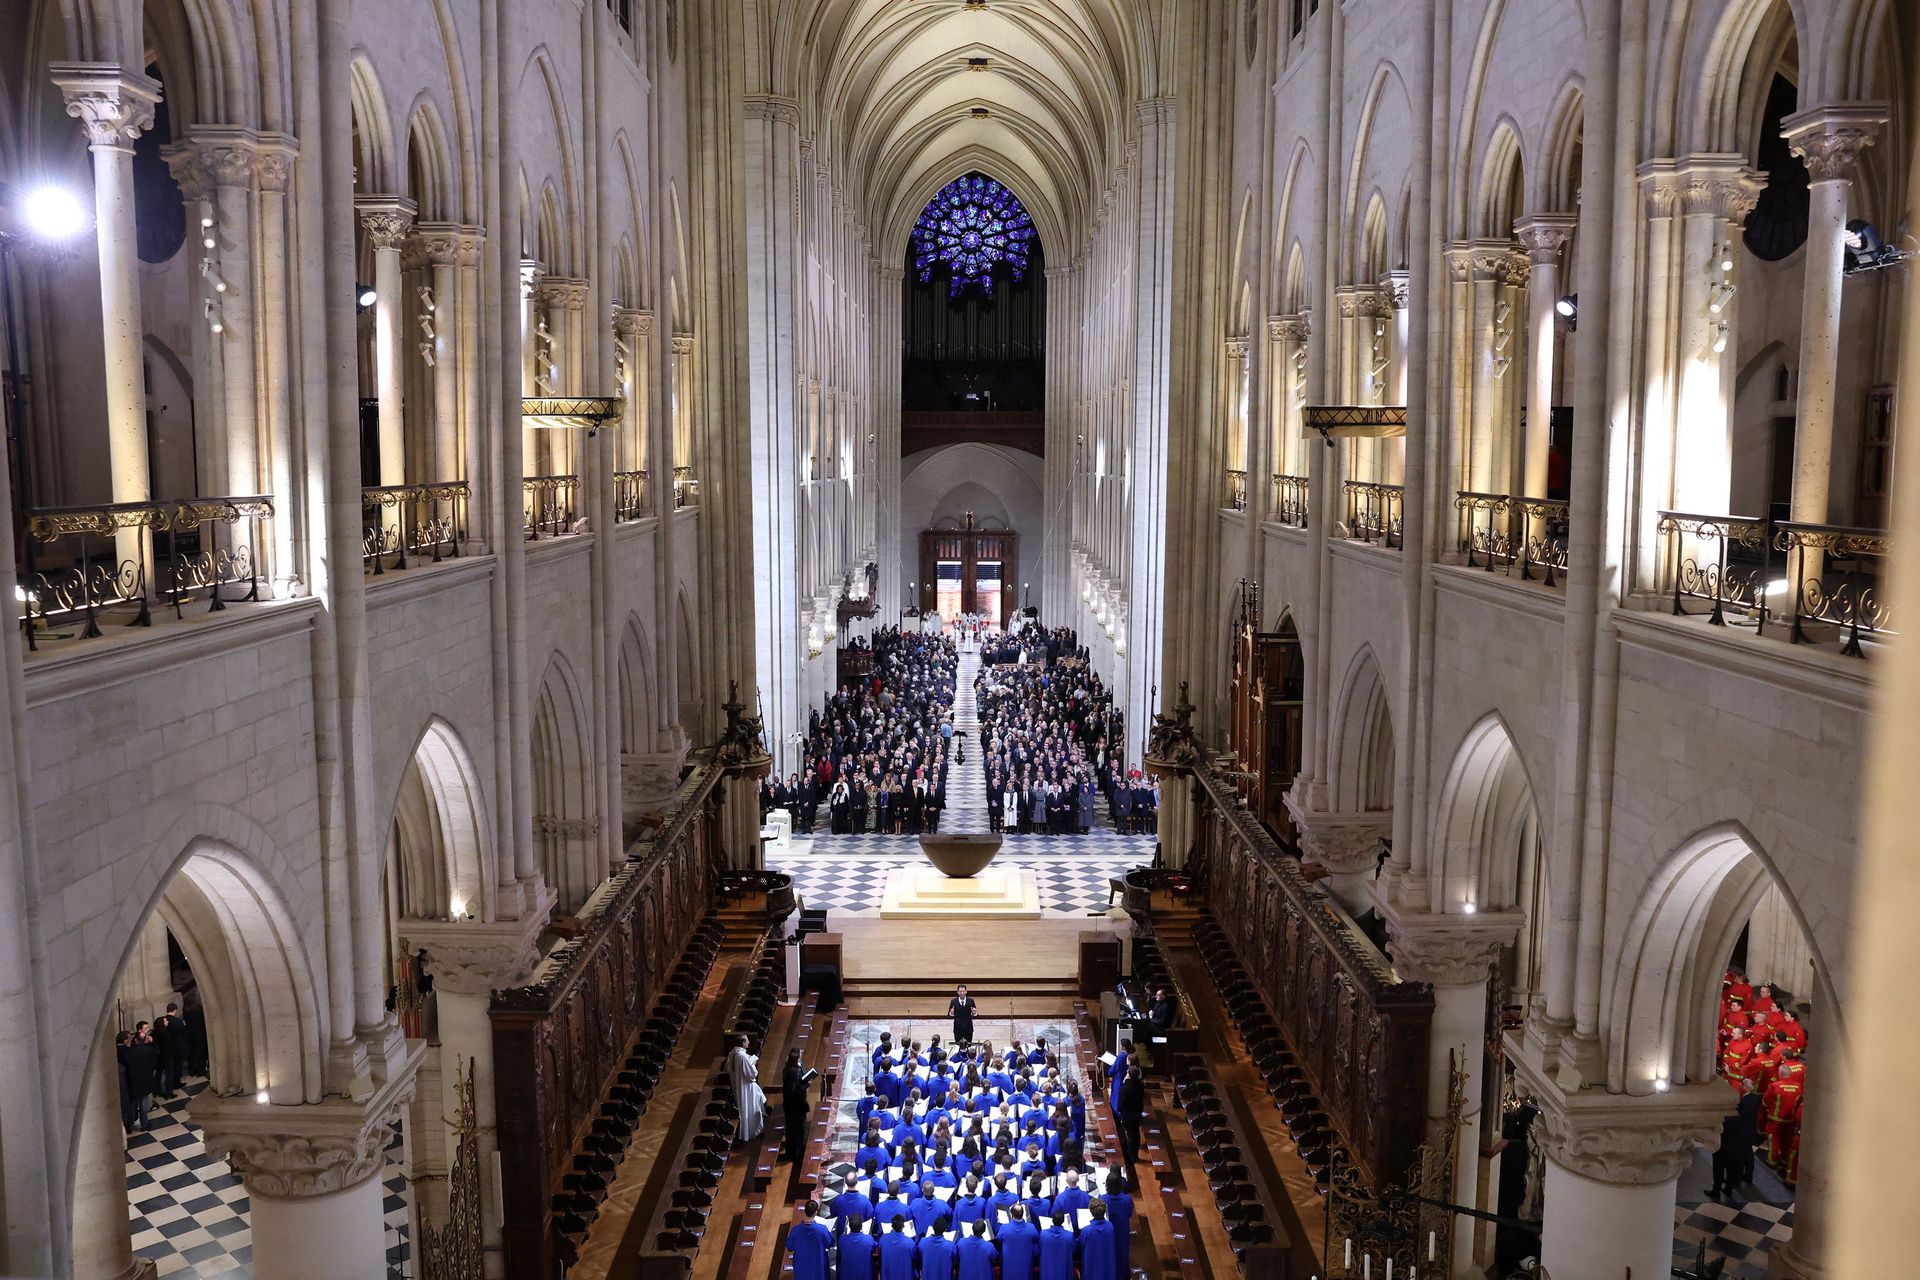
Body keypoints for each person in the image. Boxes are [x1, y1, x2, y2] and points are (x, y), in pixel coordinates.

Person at [118, 1022, 161, 1132]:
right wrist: (150, 1043)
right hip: (145, 1080)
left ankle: (129, 1126)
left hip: (132, 1081)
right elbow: (156, 1054)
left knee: (131, 1105)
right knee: (143, 1104)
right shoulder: (148, 1050)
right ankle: (144, 1124)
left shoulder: (128, 1052)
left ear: (136, 1041)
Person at [727, 1035, 767, 1145]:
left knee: (751, 1106)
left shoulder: (732, 1053)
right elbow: (751, 1075)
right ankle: (753, 1131)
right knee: (751, 1108)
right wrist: (753, 1064)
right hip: (746, 1088)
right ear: (743, 1043)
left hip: (739, 1086)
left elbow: (729, 1068)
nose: (749, 1042)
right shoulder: (742, 1057)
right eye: (747, 1041)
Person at [787, 1200, 834, 1280]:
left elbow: (790, 1247)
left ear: (805, 1211)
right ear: (816, 1212)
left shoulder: (795, 1231)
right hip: (819, 1268)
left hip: (802, 1268)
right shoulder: (822, 1229)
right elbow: (829, 1243)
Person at [1104, 1163, 1134, 1278]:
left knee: (1110, 1254)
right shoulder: (1127, 1199)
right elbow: (1130, 1213)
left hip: (1109, 1232)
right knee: (1122, 1253)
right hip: (1123, 1231)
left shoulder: (1103, 1199)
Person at [782, 1046, 812, 1162]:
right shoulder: (793, 1071)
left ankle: (793, 1152)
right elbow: (795, 1091)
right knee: (798, 1130)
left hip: (791, 1105)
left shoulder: (789, 1067)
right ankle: (798, 1155)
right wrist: (807, 1084)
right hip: (796, 1106)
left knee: (792, 1129)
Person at [155, 1002, 189, 1097]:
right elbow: (184, 1032)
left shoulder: (162, 1021)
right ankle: (174, 1085)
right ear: (175, 1010)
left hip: (164, 1051)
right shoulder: (177, 1021)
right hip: (174, 1049)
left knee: (163, 1071)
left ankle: (157, 1090)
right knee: (176, 1067)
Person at [999, 1202, 1040, 1280]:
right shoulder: (1031, 1227)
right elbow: (1036, 1237)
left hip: (1009, 1266)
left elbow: (998, 1238)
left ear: (1011, 1215)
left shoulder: (1004, 1228)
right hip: (1025, 1266)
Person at [1078, 1199, 1117, 1280]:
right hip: (1107, 1265)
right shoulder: (1110, 1226)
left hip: (1092, 1266)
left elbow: (1080, 1244)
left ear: (1091, 1212)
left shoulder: (1087, 1230)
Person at [1038, 1206, 1077, 1280]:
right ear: (1063, 1221)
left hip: (1048, 1271)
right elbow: (1073, 1248)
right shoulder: (1069, 1236)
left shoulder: (1043, 1234)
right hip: (1063, 1269)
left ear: (1052, 1220)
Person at [1116, 1064, 1144, 1167]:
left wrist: (1119, 1110)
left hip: (1127, 1115)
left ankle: (1131, 1156)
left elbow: (1121, 1103)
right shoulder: (1140, 1085)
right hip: (1137, 1113)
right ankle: (1134, 1155)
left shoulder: (1125, 1088)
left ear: (1129, 1075)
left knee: (1131, 1135)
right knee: (1135, 1133)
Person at [917, 1213, 957, 1280]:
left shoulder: (922, 1242)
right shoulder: (950, 1246)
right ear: (945, 1229)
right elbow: (955, 1262)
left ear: (933, 1227)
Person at [839, 1213, 877, 1280]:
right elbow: (875, 1246)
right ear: (861, 1226)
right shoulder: (868, 1239)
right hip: (865, 1275)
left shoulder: (842, 1239)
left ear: (849, 1226)